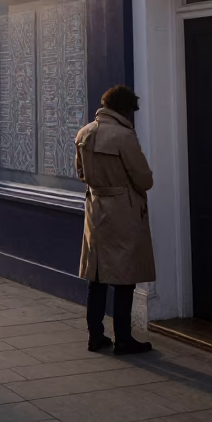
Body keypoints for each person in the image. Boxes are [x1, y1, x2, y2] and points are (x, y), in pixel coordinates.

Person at [75, 85, 155, 355]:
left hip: (95, 209)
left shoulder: (84, 133)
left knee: (95, 277)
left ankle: (95, 336)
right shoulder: (124, 136)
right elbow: (144, 179)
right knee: (125, 278)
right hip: (123, 210)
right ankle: (123, 338)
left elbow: (80, 174)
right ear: (124, 109)